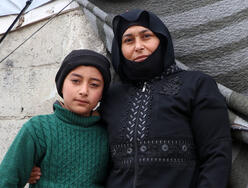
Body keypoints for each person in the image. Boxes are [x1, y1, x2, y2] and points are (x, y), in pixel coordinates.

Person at [29, 9, 232, 188]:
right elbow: (86, 144)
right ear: (119, 49)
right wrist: (41, 166)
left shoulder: (195, 84)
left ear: (161, 40)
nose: (138, 46)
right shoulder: (111, 96)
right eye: (128, 40)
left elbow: (216, 154)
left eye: (146, 36)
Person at [0, 49, 111, 187]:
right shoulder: (38, 129)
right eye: (76, 81)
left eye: (94, 85)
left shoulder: (108, 134)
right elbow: (7, 180)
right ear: (61, 84)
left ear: (102, 93)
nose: (83, 91)